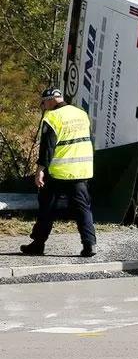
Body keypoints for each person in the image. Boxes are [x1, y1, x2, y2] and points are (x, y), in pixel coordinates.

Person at [21, 88, 97, 257]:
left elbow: (47, 148)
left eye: (43, 102)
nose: (43, 106)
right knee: (83, 208)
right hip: (81, 170)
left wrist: (40, 170)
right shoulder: (81, 113)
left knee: (47, 208)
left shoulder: (52, 117)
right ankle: (90, 245)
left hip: (59, 172)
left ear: (51, 100)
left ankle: (38, 245)